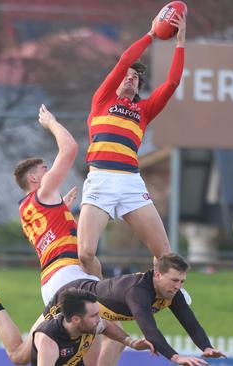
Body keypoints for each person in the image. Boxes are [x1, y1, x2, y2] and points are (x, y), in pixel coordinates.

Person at [78, 12, 187, 279]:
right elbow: (126, 59)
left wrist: (180, 42)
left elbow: (172, 83)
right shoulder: (102, 100)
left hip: (129, 183)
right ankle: (101, 299)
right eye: (126, 76)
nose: (130, 78)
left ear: (139, 87)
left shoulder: (144, 110)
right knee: (84, 254)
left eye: (135, 78)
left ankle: (163, 296)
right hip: (100, 180)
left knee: (165, 256)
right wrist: (151, 35)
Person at [45, 253, 226, 366]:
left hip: (97, 315)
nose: (178, 286)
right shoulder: (137, 292)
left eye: (182, 281)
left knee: (115, 343)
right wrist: (176, 358)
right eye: (174, 280)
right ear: (157, 275)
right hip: (69, 298)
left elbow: (190, 322)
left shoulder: (172, 292)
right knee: (23, 355)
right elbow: (150, 330)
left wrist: (206, 346)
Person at [0, 274, 154, 366]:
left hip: (75, 288)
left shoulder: (90, 322)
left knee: (18, 357)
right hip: (63, 292)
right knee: (18, 357)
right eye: (94, 316)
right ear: (75, 319)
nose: (99, 320)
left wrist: (131, 343)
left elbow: (106, 325)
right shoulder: (49, 342)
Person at [14, 104, 98, 306]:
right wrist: (51, 122)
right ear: (33, 178)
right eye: (44, 169)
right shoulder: (44, 192)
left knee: (82, 335)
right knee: (107, 326)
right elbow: (70, 147)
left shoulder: (24, 210)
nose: (49, 171)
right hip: (68, 271)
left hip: (48, 282)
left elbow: (48, 231)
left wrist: (62, 211)